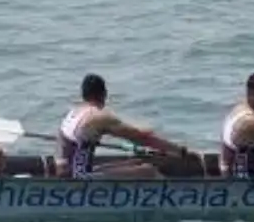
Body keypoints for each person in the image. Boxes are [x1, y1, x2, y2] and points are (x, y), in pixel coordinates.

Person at [58, 74, 190, 180]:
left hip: (68, 171)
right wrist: (180, 151)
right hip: (81, 177)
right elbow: (141, 139)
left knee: (136, 163)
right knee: (148, 171)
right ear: (104, 94)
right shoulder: (99, 116)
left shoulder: (73, 113)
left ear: (83, 95)